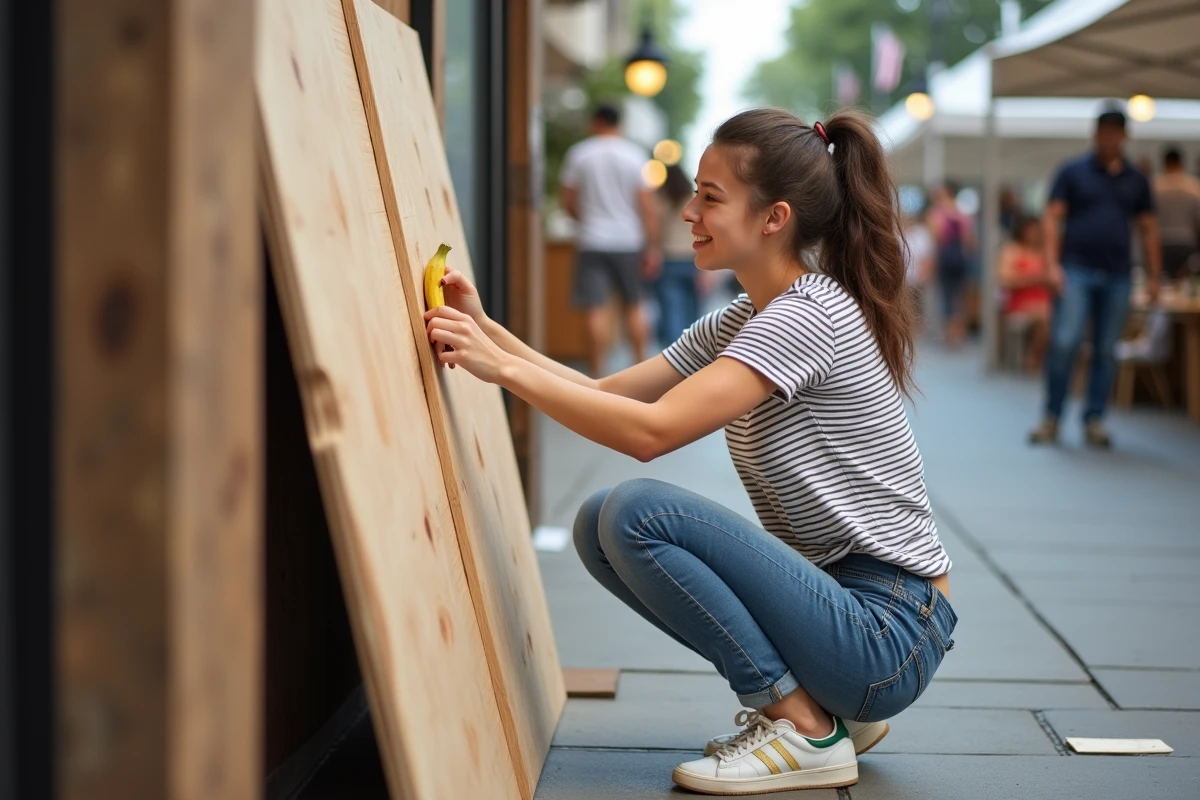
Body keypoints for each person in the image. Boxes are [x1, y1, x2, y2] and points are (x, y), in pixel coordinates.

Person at [425, 108, 956, 795]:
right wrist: (488, 333)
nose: (688, 212)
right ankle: (828, 716)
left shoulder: (808, 315)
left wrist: (501, 371)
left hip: (888, 631)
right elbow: (612, 394)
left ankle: (807, 731)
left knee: (637, 513)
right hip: (846, 609)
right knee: (596, 523)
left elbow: (651, 434)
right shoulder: (750, 313)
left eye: (711, 197)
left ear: (774, 218)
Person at [1029, 109, 1162, 448]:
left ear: (1124, 136)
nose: (1108, 138)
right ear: (1095, 133)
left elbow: (1148, 229)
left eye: (1115, 132)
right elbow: (1052, 217)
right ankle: (1051, 416)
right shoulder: (1073, 172)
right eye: (1104, 131)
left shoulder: (1137, 179)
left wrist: (1154, 276)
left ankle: (1094, 419)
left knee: (1106, 350)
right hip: (1076, 269)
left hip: (1118, 273)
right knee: (1065, 341)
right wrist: (1051, 264)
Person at [559, 103, 661, 377]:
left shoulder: (580, 154)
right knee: (635, 304)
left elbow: (568, 201)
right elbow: (647, 207)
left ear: (596, 122)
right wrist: (652, 247)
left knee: (595, 308)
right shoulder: (635, 156)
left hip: (592, 239)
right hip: (629, 241)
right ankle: (641, 369)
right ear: (620, 123)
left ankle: (598, 374)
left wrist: (587, 220)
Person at [654, 163, 702, 346]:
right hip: (693, 259)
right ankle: (693, 350)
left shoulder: (661, 200)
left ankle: (675, 352)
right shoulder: (692, 201)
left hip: (669, 260)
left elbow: (655, 231)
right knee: (693, 310)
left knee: (671, 310)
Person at [997, 216, 1053, 372]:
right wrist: (1033, 279)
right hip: (1020, 303)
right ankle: (1033, 358)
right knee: (1045, 317)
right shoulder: (1012, 250)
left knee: (1050, 316)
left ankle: (1037, 358)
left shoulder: (1044, 251)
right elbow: (1004, 279)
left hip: (1043, 303)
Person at [927, 183, 976, 346]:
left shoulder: (936, 214)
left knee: (947, 296)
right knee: (960, 297)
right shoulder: (963, 214)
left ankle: (950, 335)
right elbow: (970, 242)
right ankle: (959, 334)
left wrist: (931, 266)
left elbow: (935, 240)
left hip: (945, 259)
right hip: (960, 259)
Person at [1153, 148, 1200, 281]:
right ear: (1182, 163)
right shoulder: (1193, 186)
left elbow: (1149, 220)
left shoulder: (1155, 186)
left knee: (1163, 283)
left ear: (1164, 163)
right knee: (1185, 283)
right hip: (1186, 242)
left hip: (1162, 241)